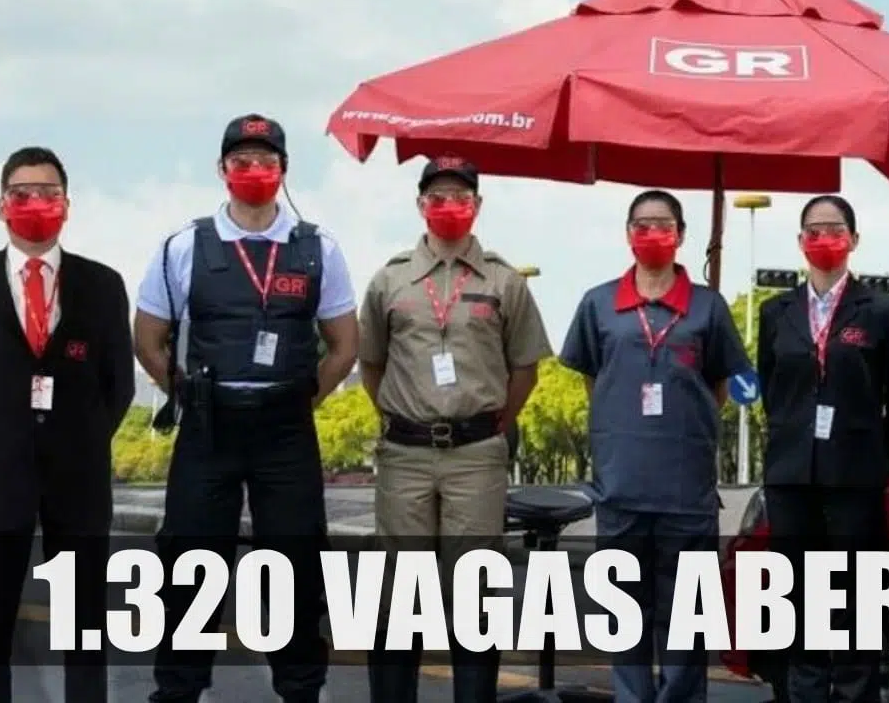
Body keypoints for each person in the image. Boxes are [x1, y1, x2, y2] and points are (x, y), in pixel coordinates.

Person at [132, 114, 359, 703]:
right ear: (222, 169)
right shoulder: (183, 246)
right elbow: (148, 338)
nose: (254, 170)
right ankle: (180, 690)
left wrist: (302, 398)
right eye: (242, 161)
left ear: (284, 170)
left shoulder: (318, 248)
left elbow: (344, 345)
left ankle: (301, 689)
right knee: (189, 563)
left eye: (266, 161)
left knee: (295, 564)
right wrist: (186, 393)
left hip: (285, 431)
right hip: (209, 427)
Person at [0, 146, 134, 703]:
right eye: (22, 194)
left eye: (48, 193)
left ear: (66, 205)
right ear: (2, 206)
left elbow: (119, 386)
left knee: (83, 633)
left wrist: (78, 443)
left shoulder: (102, 284)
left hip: (78, 483)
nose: (35, 203)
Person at [357, 154, 553, 702]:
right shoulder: (390, 279)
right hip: (406, 453)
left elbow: (526, 368)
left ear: (478, 205)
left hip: (476, 454)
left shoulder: (504, 281)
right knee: (401, 591)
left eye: (461, 198)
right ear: (420, 205)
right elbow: (371, 363)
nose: (449, 207)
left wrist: (491, 425)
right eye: (438, 197)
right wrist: (404, 414)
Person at [559, 189, 750, 703]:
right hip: (621, 488)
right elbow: (594, 380)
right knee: (625, 614)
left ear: (681, 235)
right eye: (641, 225)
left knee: (686, 615)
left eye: (663, 224)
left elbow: (717, 388)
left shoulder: (708, 307)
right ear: (627, 234)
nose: (652, 234)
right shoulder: (598, 303)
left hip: (686, 491)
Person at [756, 195, 889, 703]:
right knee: (798, 597)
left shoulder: (882, 312)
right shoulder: (775, 312)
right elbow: (771, 388)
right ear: (800, 242)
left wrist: (878, 456)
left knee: (856, 597)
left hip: (855, 474)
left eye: (835, 230)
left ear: (854, 240)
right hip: (792, 474)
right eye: (813, 231)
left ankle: (856, 694)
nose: (824, 240)